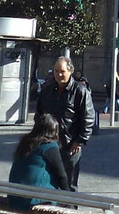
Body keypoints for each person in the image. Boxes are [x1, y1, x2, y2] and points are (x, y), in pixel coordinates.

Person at [36, 56, 95, 191]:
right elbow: (39, 115)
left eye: (62, 71)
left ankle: (70, 209)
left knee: (68, 184)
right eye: (56, 71)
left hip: (70, 145)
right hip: (48, 143)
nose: (59, 75)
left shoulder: (80, 91)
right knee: (49, 181)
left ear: (70, 71)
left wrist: (79, 141)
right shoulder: (47, 90)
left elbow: (88, 118)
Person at [3, 114, 71, 209]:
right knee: (67, 207)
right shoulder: (49, 146)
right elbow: (61, 174)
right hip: (34, 199)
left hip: (14, 197)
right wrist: (68, 196)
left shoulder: (25, 142)